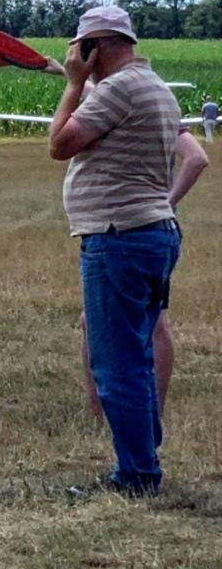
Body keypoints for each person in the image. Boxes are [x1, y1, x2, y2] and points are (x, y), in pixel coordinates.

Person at [50, 6, 186, 494]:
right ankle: (143, 457)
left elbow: (61, 144)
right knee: (138, 353)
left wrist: (71, 84)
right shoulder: (155, 87)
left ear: (93, 48)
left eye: (79, 50)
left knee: (117, 362)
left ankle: (137, 475)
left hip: (118, 237)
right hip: (152, 231)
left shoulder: (118, 89)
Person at [82, 127, 206, 429]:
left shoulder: (148, 111)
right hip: (126, 229)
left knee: (151, 324)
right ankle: (110, 416)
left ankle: (137, 416)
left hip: (138, 232)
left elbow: (196, 158)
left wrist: (167, 203)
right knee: (103, 320)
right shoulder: (116, 101)